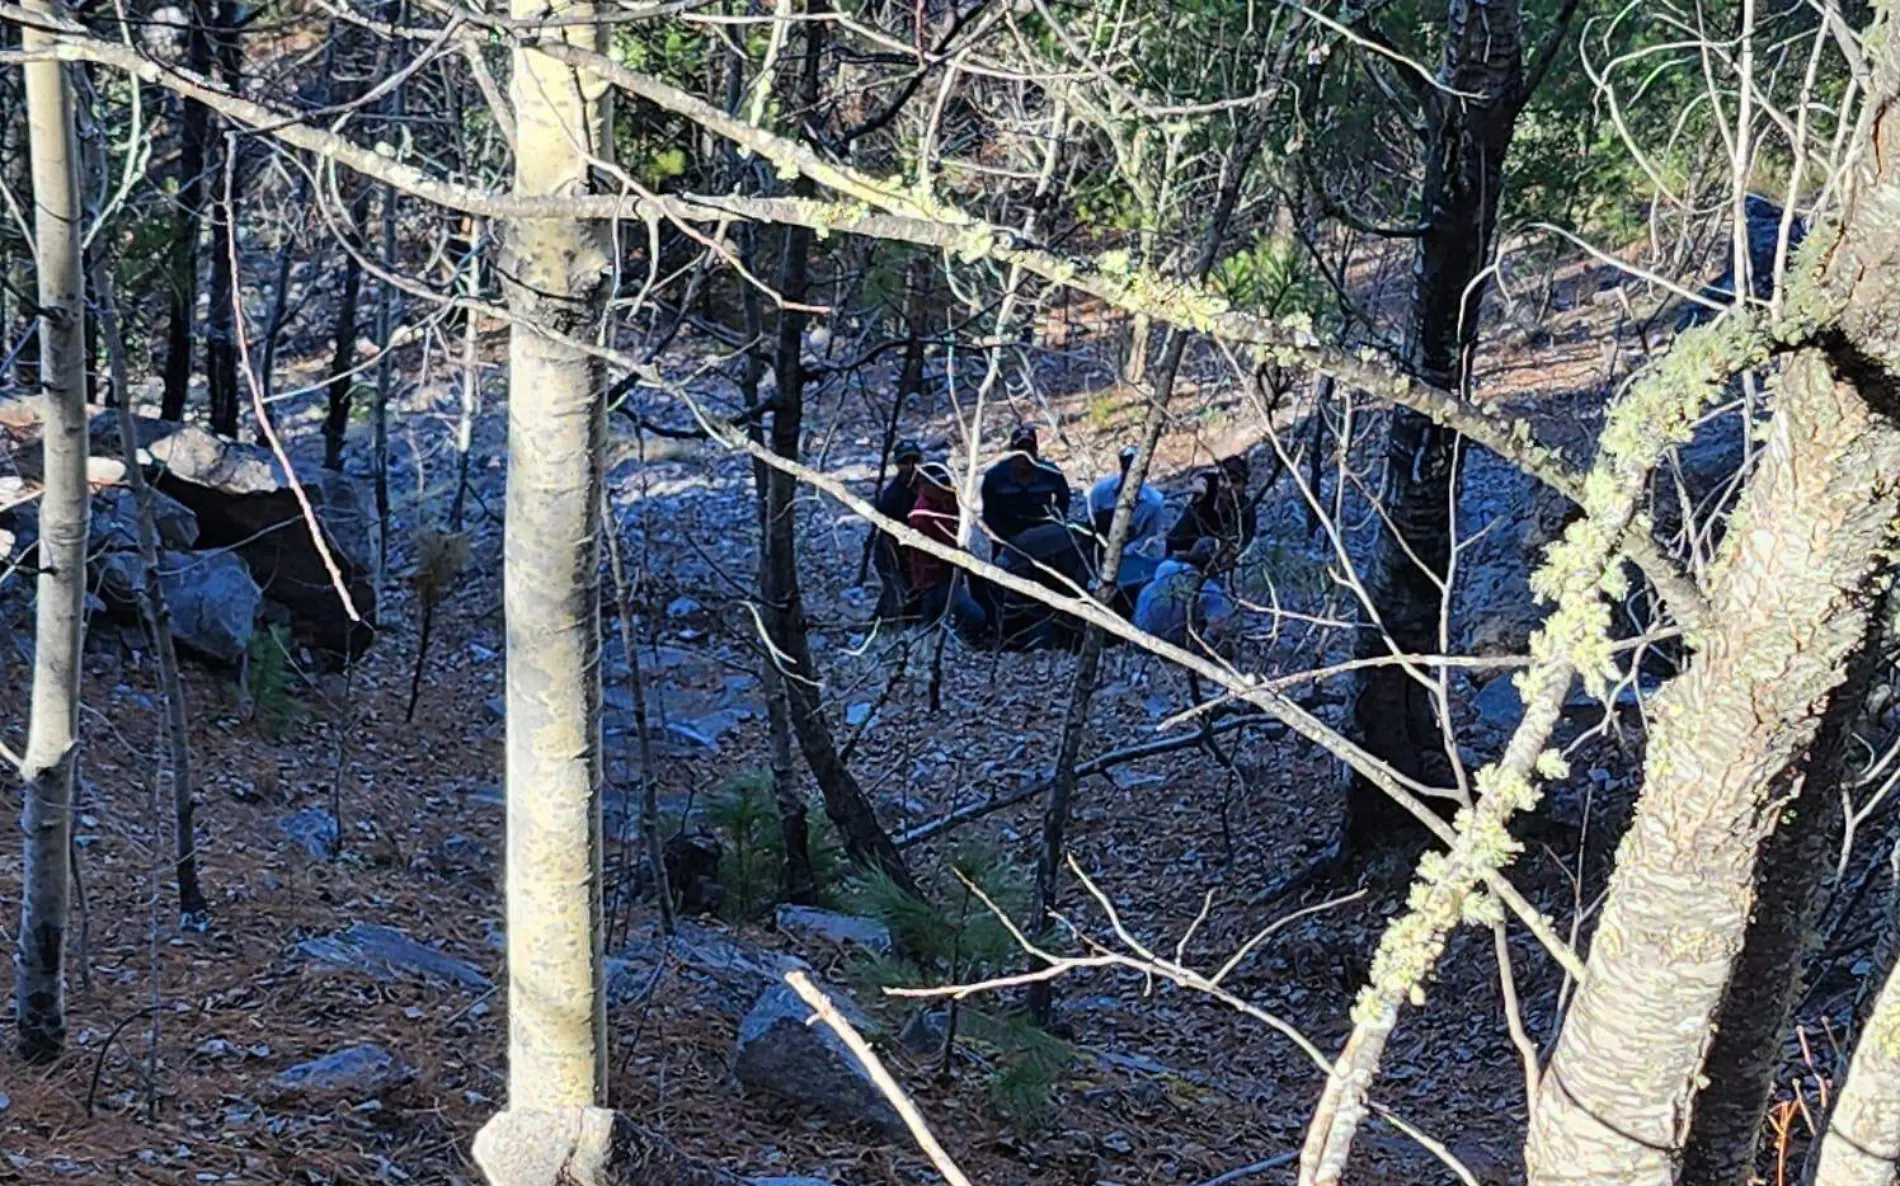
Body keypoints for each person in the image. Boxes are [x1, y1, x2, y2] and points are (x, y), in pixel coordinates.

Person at [906, 463, 988, 633]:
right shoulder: (921, 515)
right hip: (934, 580)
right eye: (936, 484)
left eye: (945, 482)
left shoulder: (949, 500)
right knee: (972, 617)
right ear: (925, 486)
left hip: (955, 570)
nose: (942, 487)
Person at [980, 425, 1071, 551]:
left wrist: (1054, 519)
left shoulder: (1050, 472)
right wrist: (1007, 538)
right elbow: (989, 515)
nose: (1025, 454)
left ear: (1036, 450)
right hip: (1007, 539)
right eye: (1020, 449)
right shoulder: (995, 477)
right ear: (1012, 451)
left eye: (1030, 448)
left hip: (1043, 531)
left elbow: (1064, 498)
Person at [1133, 537, 1235, 645]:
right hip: (1165, 645)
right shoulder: (1210, 590)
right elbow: (1217, 625)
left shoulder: (1166, 567)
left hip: (1138, 636)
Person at [1165, 453, 1254, 568]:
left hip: (1206, 570)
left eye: (1234, 481)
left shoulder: (1246, 511)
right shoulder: (1210, 485)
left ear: (1244, 486)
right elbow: (1201, 479)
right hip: (1172, 556)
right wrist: (1198, 489)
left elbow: (1240, 547)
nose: (1227, 486)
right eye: (1223, 479)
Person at [871, 438, 925, 621]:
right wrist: (902, 565)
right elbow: (888, 539)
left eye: (914, 461)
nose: (910, 467)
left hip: (918, 553)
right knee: (899, 594)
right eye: (904, 462)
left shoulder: (928, 486)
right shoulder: (892, 497)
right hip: (893, 555)